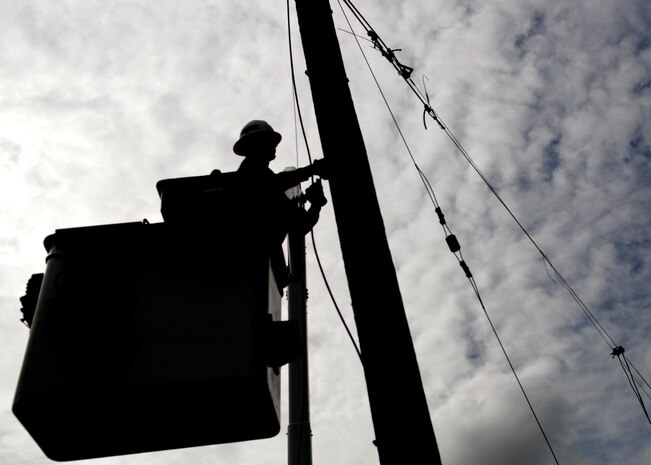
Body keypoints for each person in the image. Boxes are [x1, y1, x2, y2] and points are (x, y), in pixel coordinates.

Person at [230, 119, 328, 289]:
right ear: (252, 146)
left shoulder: (272, 193)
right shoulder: (247, 177)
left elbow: (299, 225)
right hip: (245, 266)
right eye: (268, 141)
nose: (274, 146)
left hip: (265, 278)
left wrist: (316, 204)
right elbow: (270, 184)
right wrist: (312, 170)